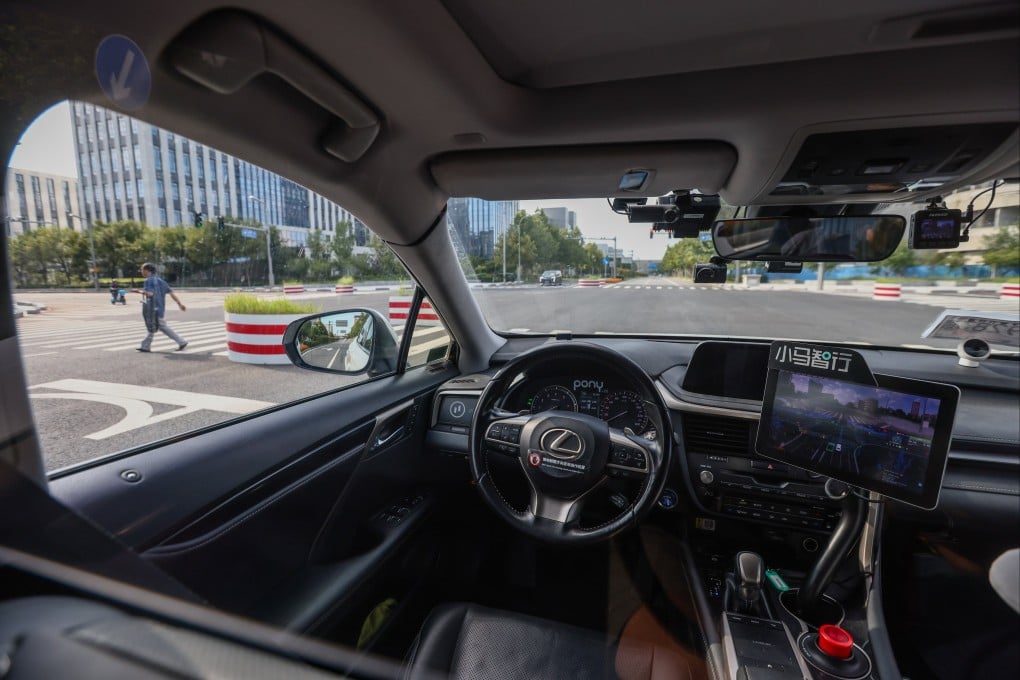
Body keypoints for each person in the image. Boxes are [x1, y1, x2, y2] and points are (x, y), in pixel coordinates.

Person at [132, 262, 188, 352]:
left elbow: (150, 294)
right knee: (153, 326)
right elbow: (171, 293)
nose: (141, 272)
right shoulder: (160, 281)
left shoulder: (148, 281)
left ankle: (182, 342)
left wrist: (138, 291)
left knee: (160, 326)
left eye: (142, 270)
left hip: (153, 309)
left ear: (147, 270)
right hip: (160, 308)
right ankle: (145, 346)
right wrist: (179, 304)